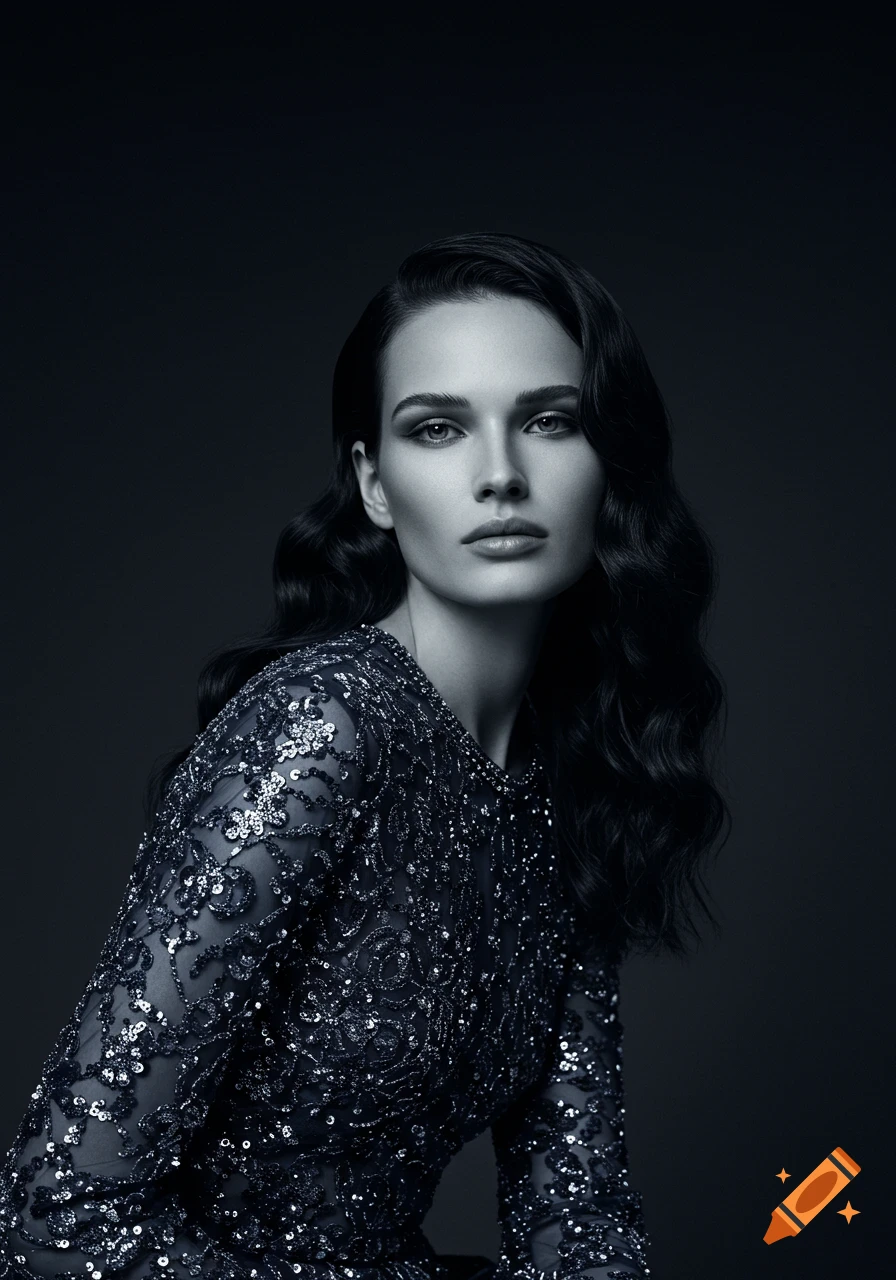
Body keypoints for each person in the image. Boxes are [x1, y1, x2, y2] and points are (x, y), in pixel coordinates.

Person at [0, 232, 729, 1280]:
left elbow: (576, 1201)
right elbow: (54, 1212)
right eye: (437, 429)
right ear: (374, 484)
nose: (499, 475)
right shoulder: (323, 725)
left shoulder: (572, 777)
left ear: (606, 458)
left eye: (549, 421)